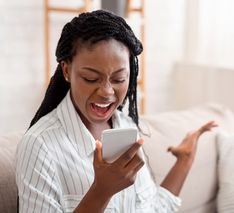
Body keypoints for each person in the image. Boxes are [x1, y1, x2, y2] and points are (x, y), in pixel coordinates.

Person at [15, 10, 217, 212]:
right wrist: (101, 191)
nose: (106, 91)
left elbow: (153, 209)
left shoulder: (126, 127)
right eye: (90, 78)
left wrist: (184, 161)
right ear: (67, 71)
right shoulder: (40, 146)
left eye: (119, 79)